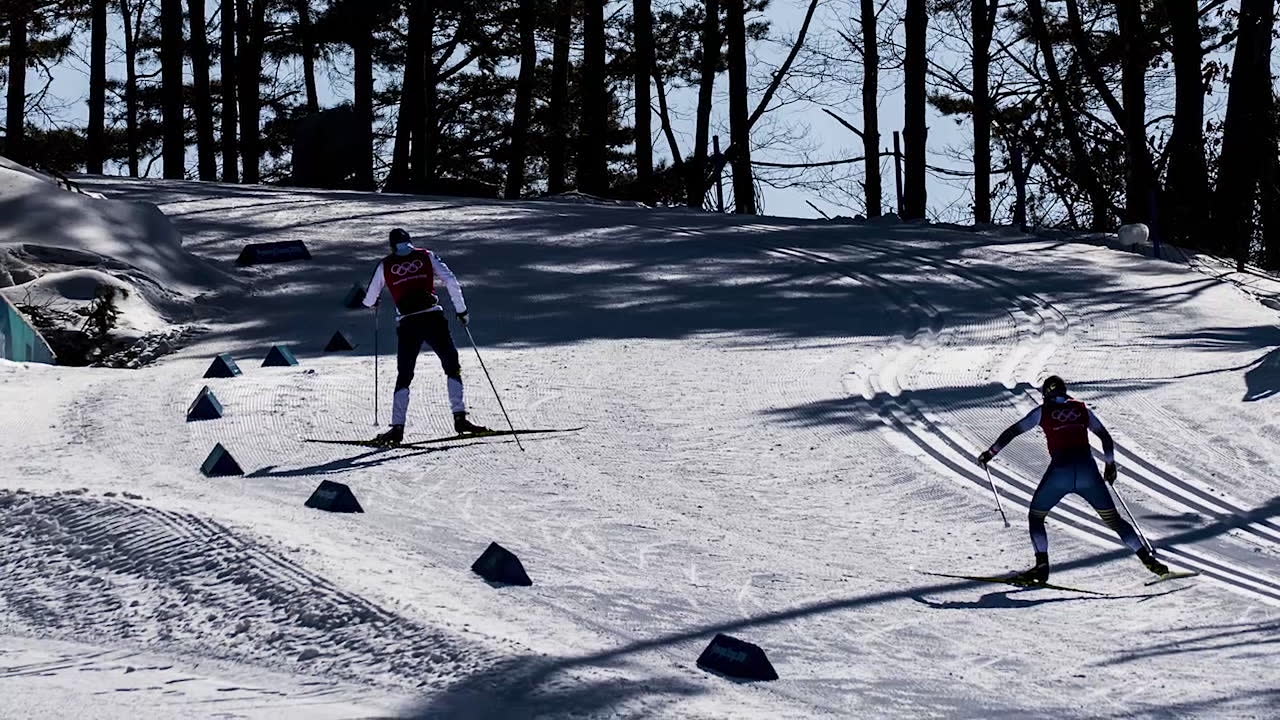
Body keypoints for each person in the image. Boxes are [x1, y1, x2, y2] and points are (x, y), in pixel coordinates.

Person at [977, 375, 1169, 583]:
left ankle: (1042, 567)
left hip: (1061, 473)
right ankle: (1147, 559)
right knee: (1115, 521)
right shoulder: (1081, 409)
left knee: (1036, 516)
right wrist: (1110, 465)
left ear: (1046, 395)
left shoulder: (1043, 411)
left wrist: (990, 453)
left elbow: (1014, 431)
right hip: (1088, 473)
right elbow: (1104, 436)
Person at [363, 228, 488, 446]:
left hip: (408, 323)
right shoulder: (426, 255)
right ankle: (460, 418)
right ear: (410, 241)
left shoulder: (386, 264)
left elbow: (369, 299)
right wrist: (461, 310)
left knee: (405, 374)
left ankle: (397, 428)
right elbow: (450, 280)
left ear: (392, 245)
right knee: (451, 365)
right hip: (433, 318)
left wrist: (374, 302)